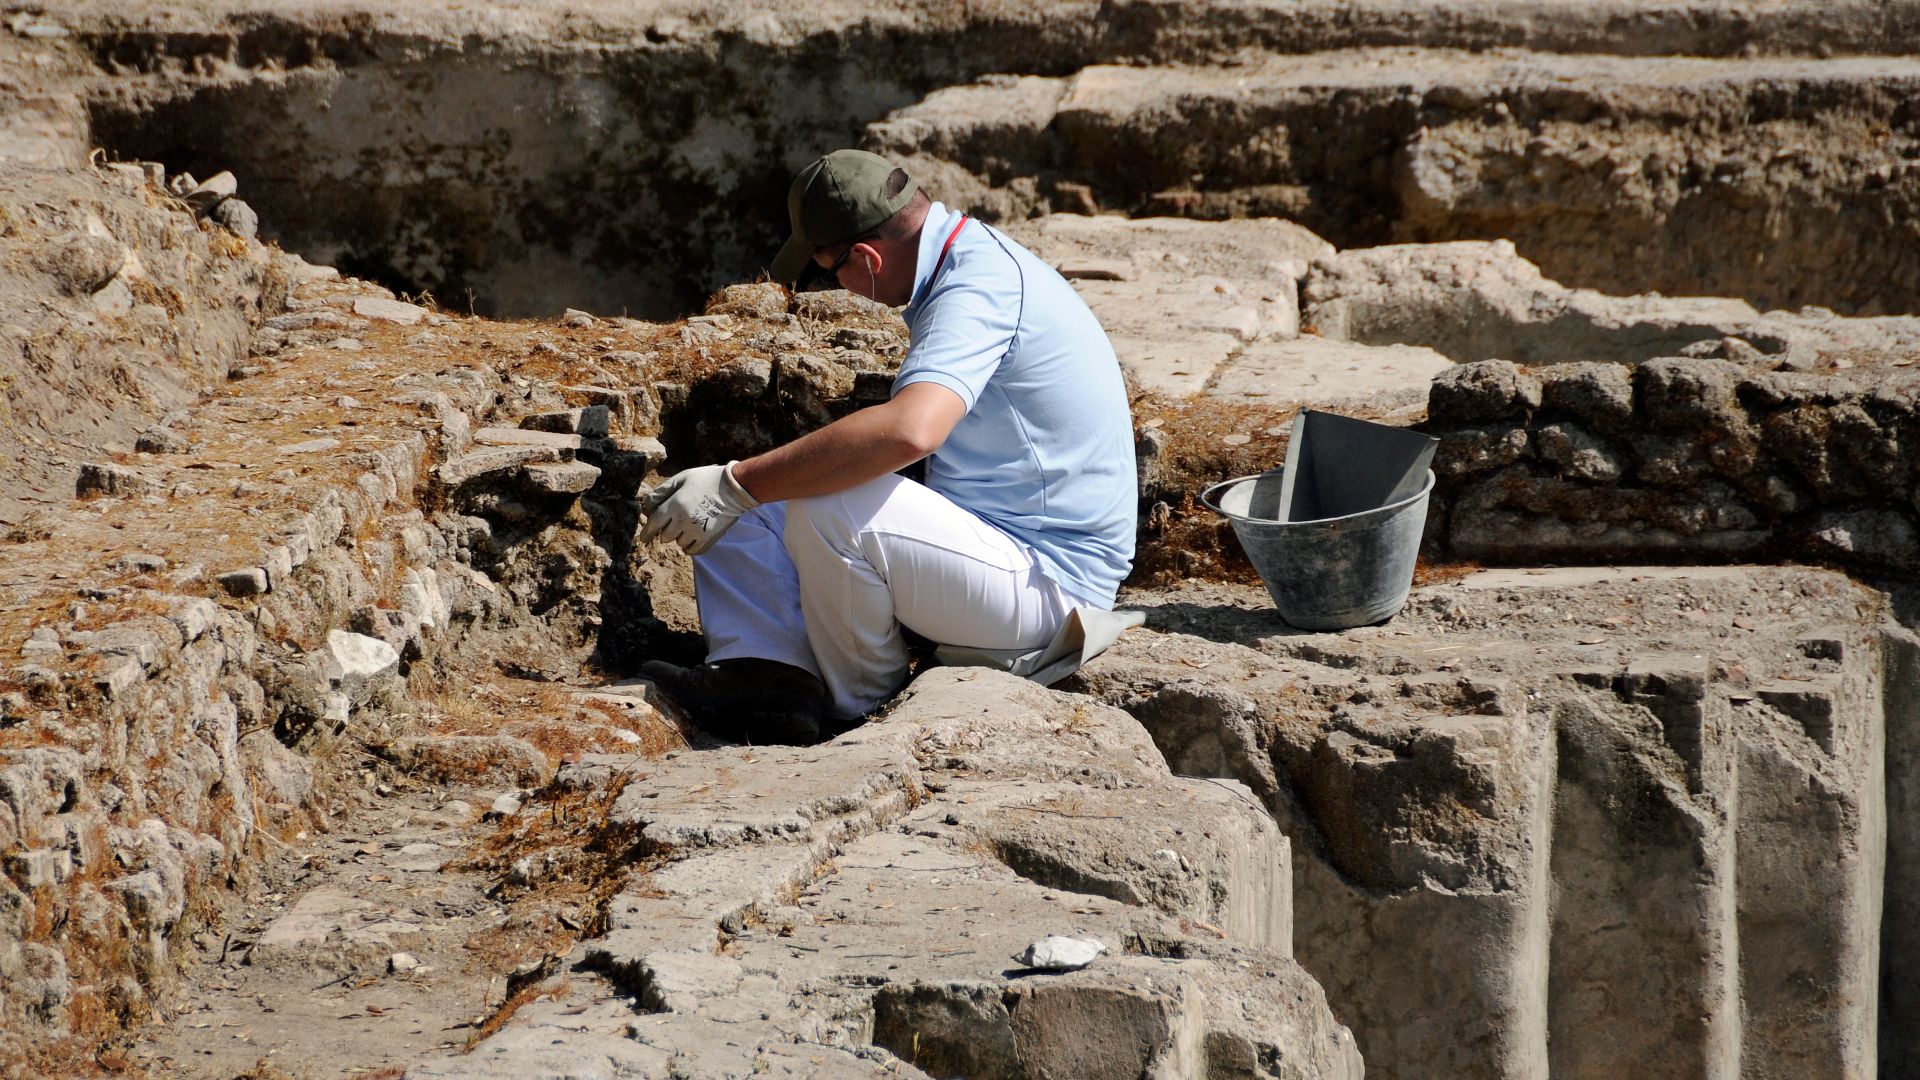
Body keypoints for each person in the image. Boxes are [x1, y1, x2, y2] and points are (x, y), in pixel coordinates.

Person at [638, 149, 1136, 742]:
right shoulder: (965, 262)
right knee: (770, 487)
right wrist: (739, 484)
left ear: (867, 257)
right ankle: (770, 677)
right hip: (1002, 551)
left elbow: (911, 430)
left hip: (1052, 586)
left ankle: (862, 710)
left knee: (822, 503)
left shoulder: (977, 288)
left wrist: (738, 483)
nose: (834, 287)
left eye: (829, 270)